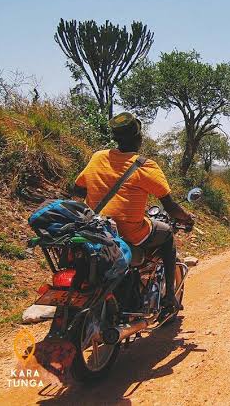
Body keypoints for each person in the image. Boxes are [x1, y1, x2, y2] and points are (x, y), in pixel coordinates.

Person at [72, 112, 194, 316]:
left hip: (97, 228)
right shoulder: (145, 165)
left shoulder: (98, 157)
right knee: (167, 236)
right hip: (130, 233)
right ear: (139, 138)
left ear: (116, 137)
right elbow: (171, 207)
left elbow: (77, 190)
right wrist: (188, 218)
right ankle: (169, 297)